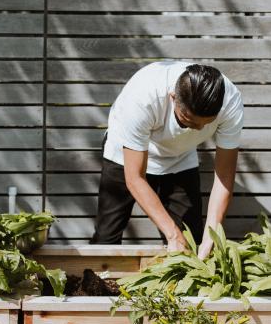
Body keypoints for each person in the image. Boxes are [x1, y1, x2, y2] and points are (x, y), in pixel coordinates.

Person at [90, 61, 244, 259]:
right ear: (173, 98)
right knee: (106, 239)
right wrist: (172, 234)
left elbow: (224, 176)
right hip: (124, 155)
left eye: (205, 124)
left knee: (190, 243)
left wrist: (211, 236)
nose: (197, 129)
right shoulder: (142, 97)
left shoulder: (230, 102)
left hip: (180, 157)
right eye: (188, 121)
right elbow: (135, 178)